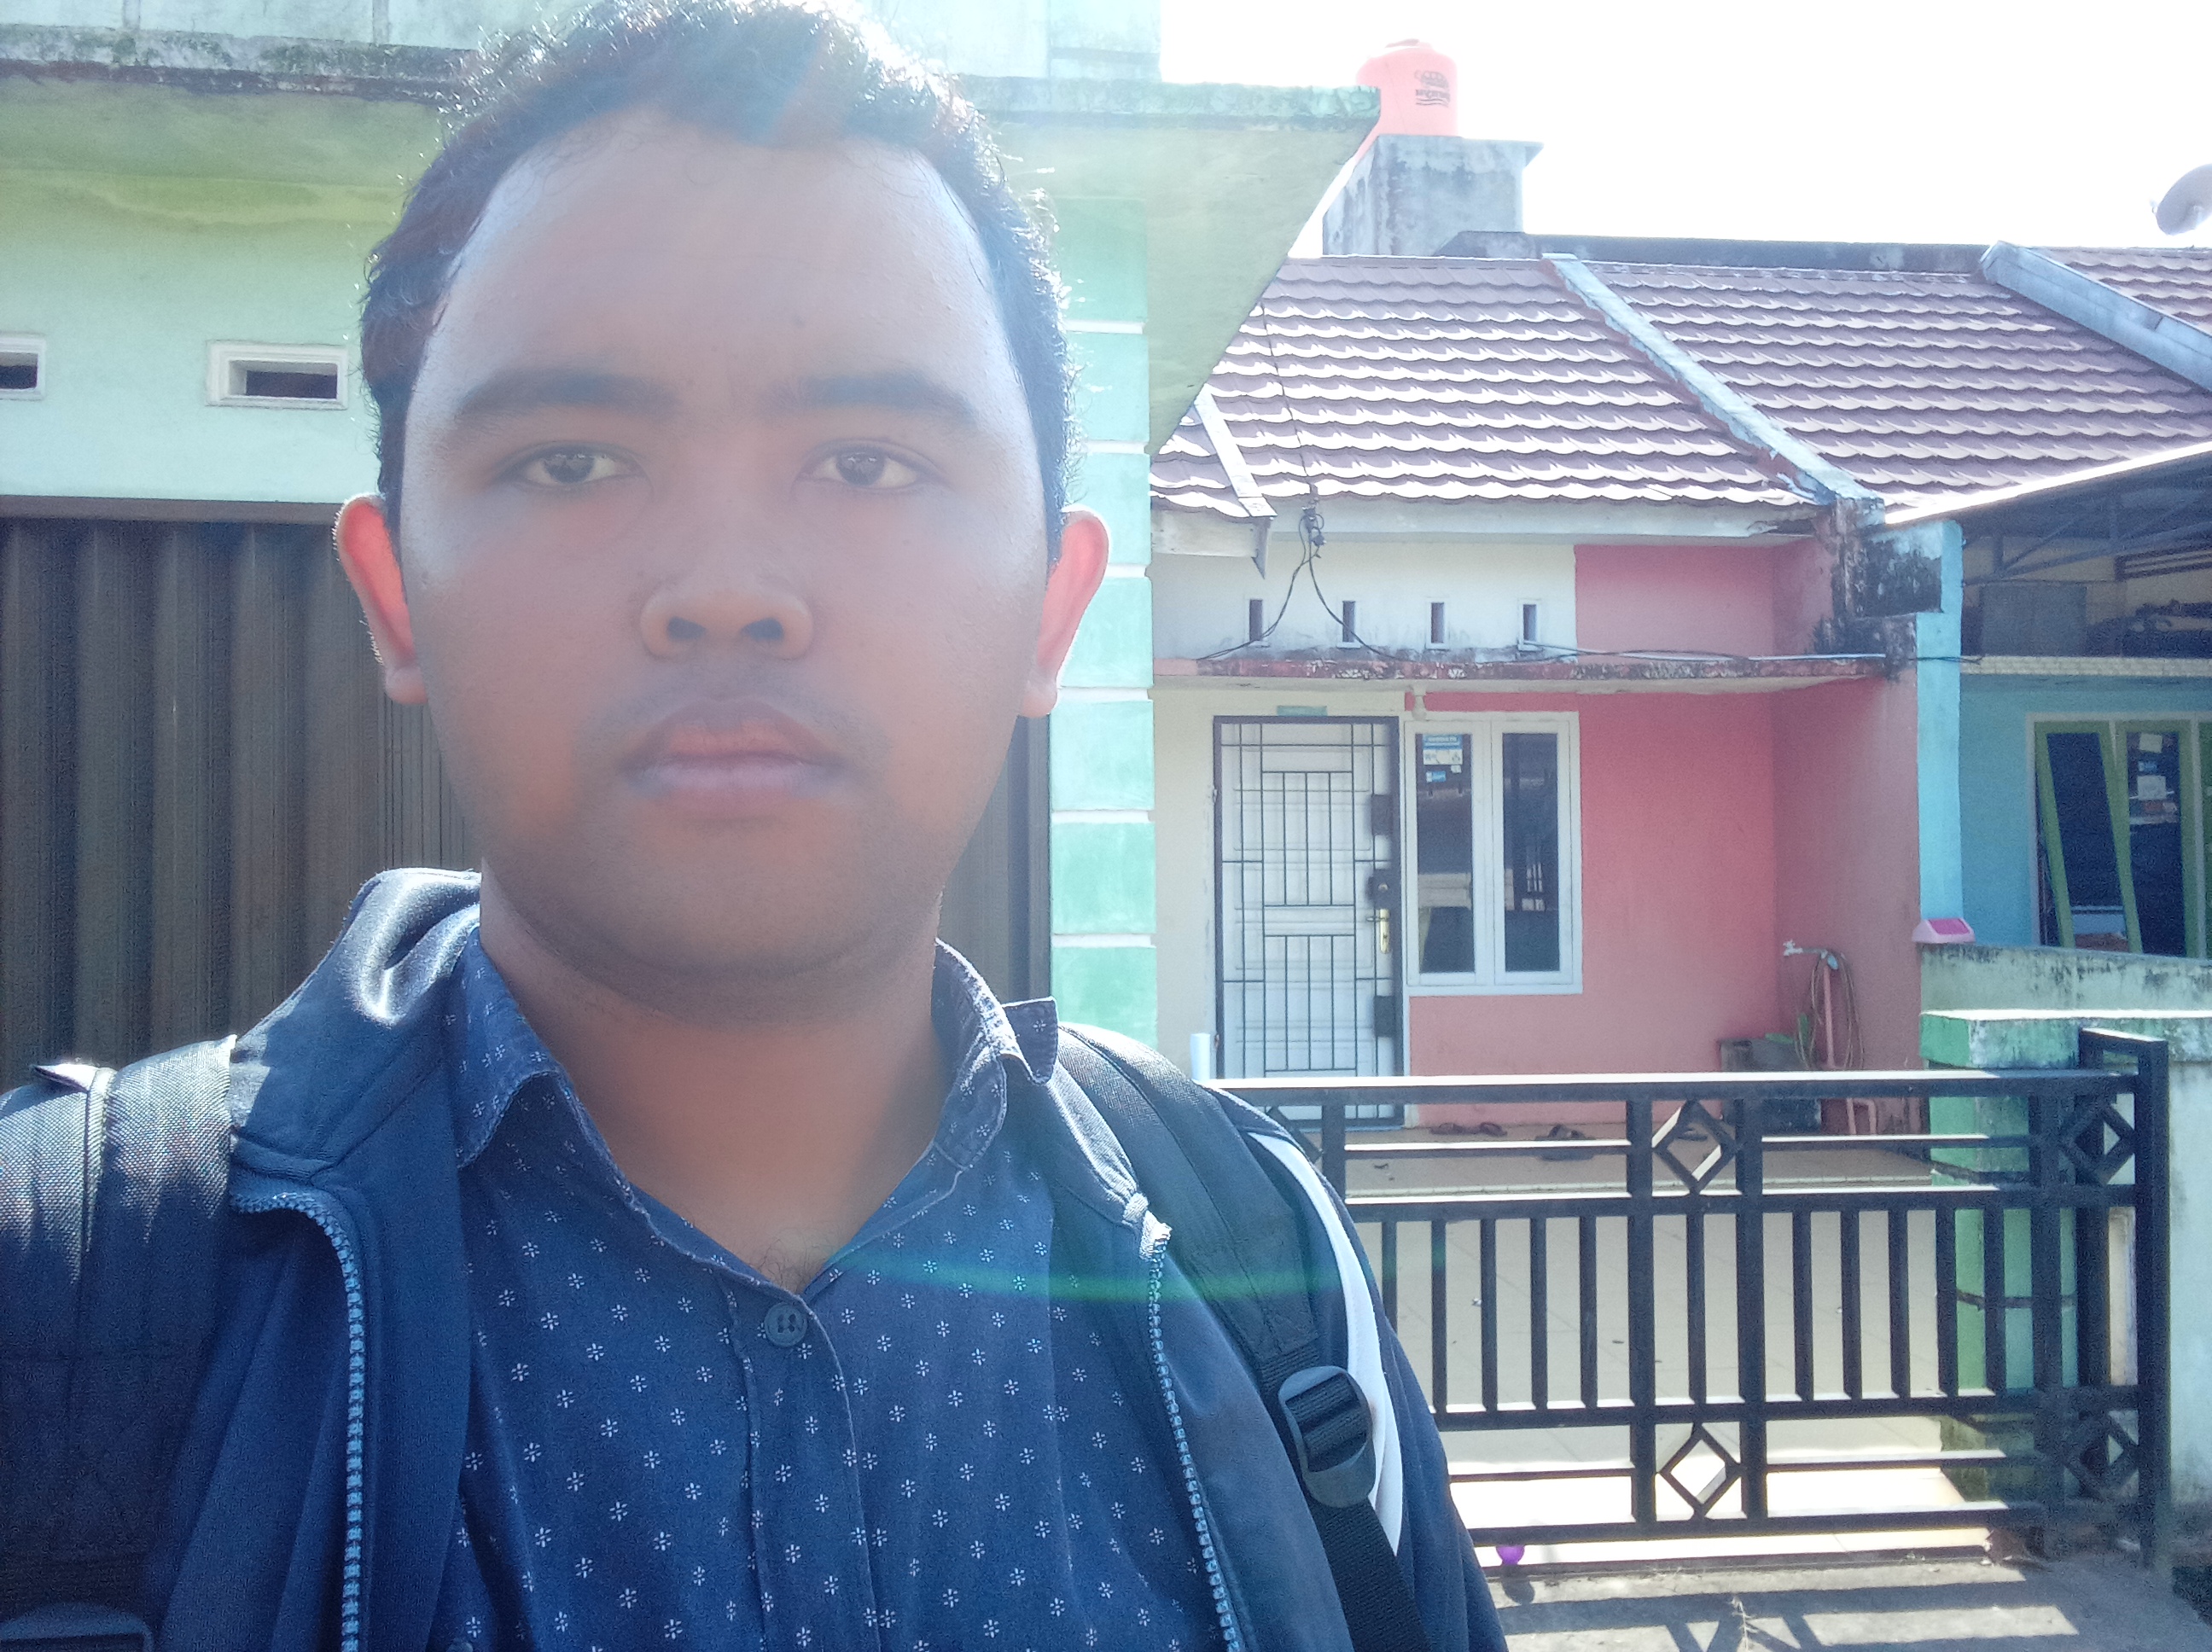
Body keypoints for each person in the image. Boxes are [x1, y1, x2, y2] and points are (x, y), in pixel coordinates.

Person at [3, 3, 1506, 1647]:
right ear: (395, 592)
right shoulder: (60, 1290)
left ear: (1052, 610)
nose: (725, 590)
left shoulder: (1264, 1263)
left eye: (866, 462)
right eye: (572, 462)